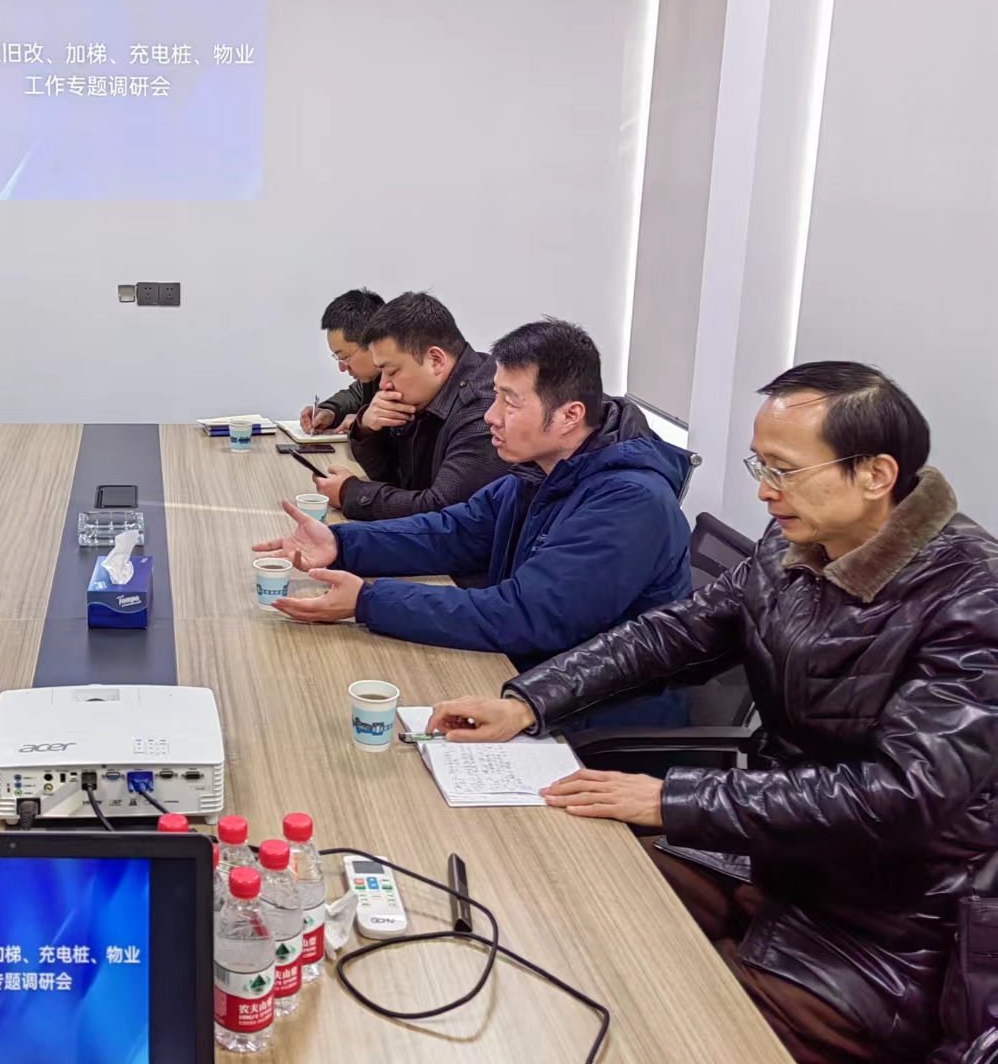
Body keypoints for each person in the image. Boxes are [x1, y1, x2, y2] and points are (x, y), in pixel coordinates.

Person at [428, 363, 998, 1064]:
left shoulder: (973, 595)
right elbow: (676, 634)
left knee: (666, 1032)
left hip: (882, 933)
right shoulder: (796, 542)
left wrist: (672, 799)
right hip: (766, 858)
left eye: (784, 470)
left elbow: (903, 796)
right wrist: (528, 701)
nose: (764, 490)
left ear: (876, 474)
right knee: (560, 907)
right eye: (762, 465)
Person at [255, 319, 692, 676]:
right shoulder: (542, 470)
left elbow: (522, 616)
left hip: (589, 719)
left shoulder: (630, 504)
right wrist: (342, 544)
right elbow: (455, 531)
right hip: (528, 679)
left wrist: (369, 601)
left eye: (510, 403)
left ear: (569, 416)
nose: (491, 416)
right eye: (495, 395)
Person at [313, 291, 511, 522]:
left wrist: (350, 493)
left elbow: (442, 512)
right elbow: (397, 480)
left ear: (436, 360)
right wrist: (366, 429)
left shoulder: (483, 411)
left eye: (392, 371)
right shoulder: (424, 393)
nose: (383, 385)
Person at [298, 288, 384, 435]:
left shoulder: (408, 383)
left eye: (345, 357)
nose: (342, 368)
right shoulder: (373, 377)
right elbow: (356, 395)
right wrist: (329, 411)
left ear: (373, 344)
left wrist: (362, 424)